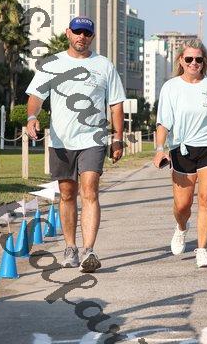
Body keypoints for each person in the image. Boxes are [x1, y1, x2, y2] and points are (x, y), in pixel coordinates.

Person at [25, 16, 126, 273]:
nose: (82, 36)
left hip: (93, 138)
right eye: (78, 31)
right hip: (61, 139)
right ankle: (70, 248)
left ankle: (89, 250)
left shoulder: (104, 65)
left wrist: (117, 138)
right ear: (68, 33)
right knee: (67, 193)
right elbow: (36, 96)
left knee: (90, 190)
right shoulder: (53, 64)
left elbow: (116, 104)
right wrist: (32, 117)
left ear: (92, 37)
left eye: (87, 33)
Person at [153, 39, 207, 268]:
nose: (194, 63)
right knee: (182, 205)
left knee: (206, 198)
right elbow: (163, 123)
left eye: (198, 59)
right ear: (181, 60)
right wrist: (160, 150)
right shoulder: (171, 87)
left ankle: (202, 249)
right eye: (189, 59)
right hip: (181, 148)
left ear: (204, 62)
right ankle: (181, 227)